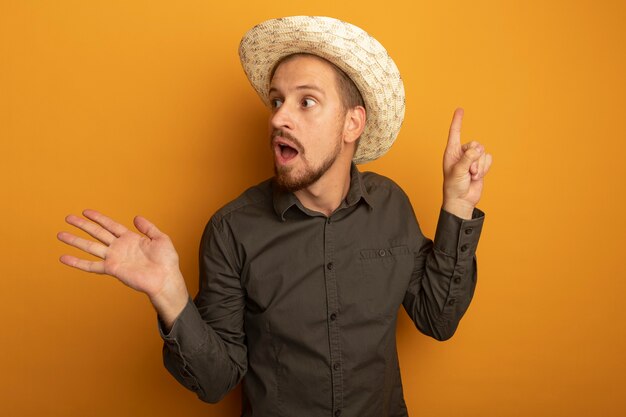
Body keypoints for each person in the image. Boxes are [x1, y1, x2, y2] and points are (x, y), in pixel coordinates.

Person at [57, 16, 492, 417]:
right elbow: (216, 382)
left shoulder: (391, 205)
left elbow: (438, 319)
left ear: (352, 124)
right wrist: (171, 297)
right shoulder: (231, 230)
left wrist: (457, 204)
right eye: (277, 101)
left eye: (306, 102)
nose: (279, 117)